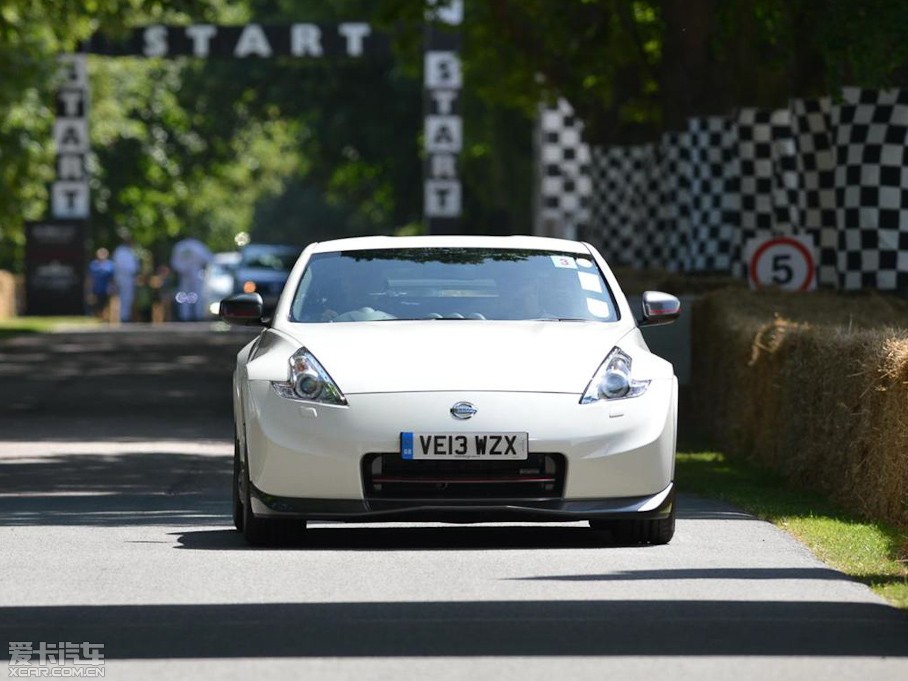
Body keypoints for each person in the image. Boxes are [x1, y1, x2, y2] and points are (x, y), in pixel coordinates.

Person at [170, 236, 213, 321]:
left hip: (185, 274)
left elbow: (175, 263)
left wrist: (183, 269)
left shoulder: (180, 246)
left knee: (185, 295)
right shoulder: (198, 246)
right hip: (195, 273)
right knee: (197, 294)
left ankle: (185, 316)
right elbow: (208, 258)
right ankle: (197, 315)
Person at [111, 233, 139, 323]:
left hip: (129, 277)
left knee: (128, 297)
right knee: (124, 297)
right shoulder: (120, 251)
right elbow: (121, 266)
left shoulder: (129, 251)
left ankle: (125, 316)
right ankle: (123, 317)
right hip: (123, 277)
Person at [87, 247, 114, 320]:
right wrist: (89, 290)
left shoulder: (110, 265)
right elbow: (90, 278)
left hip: (106, 289)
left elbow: (112, 279)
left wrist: (111, 288)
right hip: (95, 289)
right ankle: (97, 318)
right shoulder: (93, 265)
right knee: (96, 305)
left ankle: (105, 319)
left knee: (105, 305)